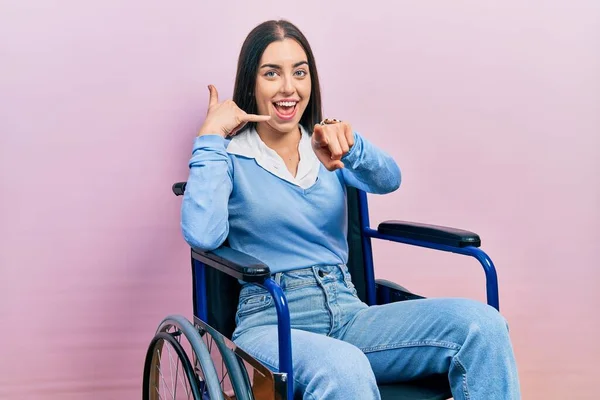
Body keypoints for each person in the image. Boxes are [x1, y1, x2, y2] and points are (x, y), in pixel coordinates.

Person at [181, 19, 520, 400]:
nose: (289, 87)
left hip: (348, 310)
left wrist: (353, 146)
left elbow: (388, 179)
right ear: (251, 83)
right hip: (271, 319)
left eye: (300, 72)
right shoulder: (230, 157)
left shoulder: (326, 146)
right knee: (345, 366)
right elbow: (202, 234)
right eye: (271, 74)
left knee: (482, 326)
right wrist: (210, 136)